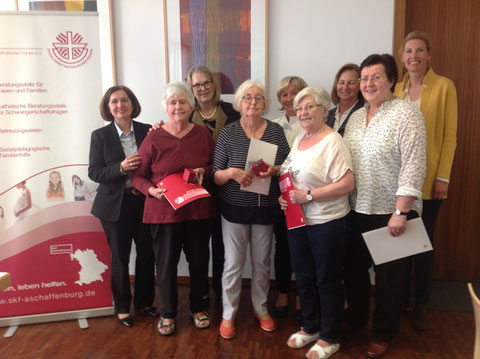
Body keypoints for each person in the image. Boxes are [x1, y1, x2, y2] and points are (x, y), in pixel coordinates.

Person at [343, 54, 426, 358]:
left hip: (391, 212)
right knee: (353, 271)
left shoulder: (407, 114)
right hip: (355, 209)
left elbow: (414, 166)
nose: (368, 84)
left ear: (392, 80)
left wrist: (401, 211)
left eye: (376, 77)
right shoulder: (354, 117)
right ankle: (356, 317)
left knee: (391, 281)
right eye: (364, 78)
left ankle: (382, 332)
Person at [131, 82, 216, 336]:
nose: (177, 107)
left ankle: (197, 308)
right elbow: (137, 176)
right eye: (172, 103)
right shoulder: (153, 138)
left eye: (182, 102)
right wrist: (151, 191)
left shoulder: (203, 135)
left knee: (199, 262)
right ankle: (168, 313)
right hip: (163, 212)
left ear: (191, 106)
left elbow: (215, 166)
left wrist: (204, 172)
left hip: (198, 211)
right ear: (165, 108)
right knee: (166, 265)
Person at [279, 87, 354, 359]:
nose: (303, 112)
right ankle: (310, 327)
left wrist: (308, 195)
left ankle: (330, 336)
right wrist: (284, 197)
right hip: (298, 220)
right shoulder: (300, 138)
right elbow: (288, 174)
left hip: (327, 222)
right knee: (304, 276)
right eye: (299, 108)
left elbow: (347, 183)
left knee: (327, 278)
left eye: (309, 107)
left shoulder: (332, 140)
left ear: (324, 109)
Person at [212, 79, 290, 339]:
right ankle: (228, 313)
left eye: (258, 97)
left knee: (261, 263)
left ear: (264, 103)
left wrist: (274, 170)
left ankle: (261, 308)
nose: (253, 102)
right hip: (234, 208)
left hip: (265, 208)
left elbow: (288, 166)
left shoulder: (276, 132)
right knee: (233, 263)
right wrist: (232, 173)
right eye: (247, 97)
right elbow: (215, 175)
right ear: (239, 103)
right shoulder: (228, 132)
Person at [394, 31, 458, 331]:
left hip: (430, 180)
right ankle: (401, 299)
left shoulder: (444, 86)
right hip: (401, 181)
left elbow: (449, 136)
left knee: (423, 241)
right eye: (408, 51)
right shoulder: (397, 90)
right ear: (402, 56)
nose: (413, 56)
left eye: (419, 50)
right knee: (400, 241)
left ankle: (421, 302)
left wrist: (443, 176)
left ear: (429, 55)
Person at [89, 85, 157, 328]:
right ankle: (121, 307)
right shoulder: (100, 136)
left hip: (145, 201)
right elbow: (94, 172)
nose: (120, 105)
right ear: (108, 108)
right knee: (120, 258)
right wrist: (121, 167)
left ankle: (144, 303)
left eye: (124, 100)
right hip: (114, 206)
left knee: (148, 254)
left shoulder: (148, 130)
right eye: (114, 102)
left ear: (132, 103)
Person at [187, 66, 241, 303]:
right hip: (195, 193)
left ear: (214, 85)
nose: (202, 88)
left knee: (223, 248)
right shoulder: (184, 113)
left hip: (227, 191)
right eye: (197, 85)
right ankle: (199, 296)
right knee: (198, 250)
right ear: (191, 89)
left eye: (206, 83)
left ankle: (221, 294)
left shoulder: (233, 112)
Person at [271, 76, 308, 318]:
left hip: (306, 194)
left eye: (294, 93)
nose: (289, 99)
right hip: (278, 195)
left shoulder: (310, 123)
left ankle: (303, 296)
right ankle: (283, 291)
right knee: (282, 246)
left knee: (304, 248)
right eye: (285, 94)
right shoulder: (272, 125)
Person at [326, 64, 364, 136]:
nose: (345, 87)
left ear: (360, 86)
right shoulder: (326, 115)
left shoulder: (365, 114)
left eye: (351, 83)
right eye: (341, 82)